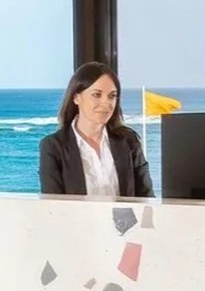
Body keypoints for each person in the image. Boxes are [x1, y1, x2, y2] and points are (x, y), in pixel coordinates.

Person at [38, 61, 153, 199]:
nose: (106, 103)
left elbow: (146, 198)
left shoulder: (129, 141)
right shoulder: (53, 146)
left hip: (125, 215)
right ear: (76, 97)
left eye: (112, 96)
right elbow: (53, 205)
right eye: (97, 95)